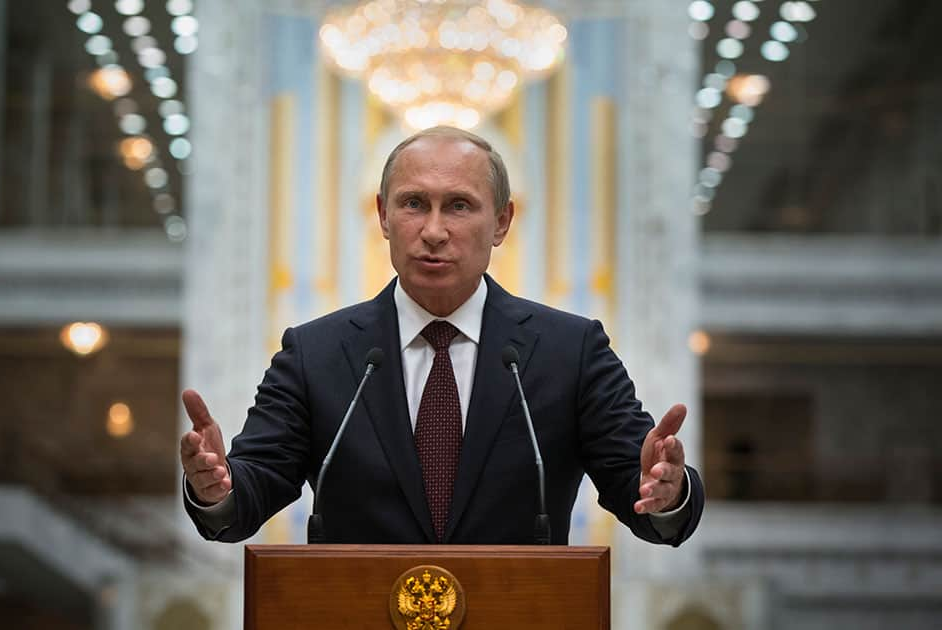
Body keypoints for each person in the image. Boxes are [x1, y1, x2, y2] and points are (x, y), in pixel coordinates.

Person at [181, 126, 704, 545]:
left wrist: (668, 491)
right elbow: (252, 487)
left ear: (501, 222)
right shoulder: (315, 353)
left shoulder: (571, 352)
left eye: (459, 205)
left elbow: (638, 486)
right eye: (413, 204)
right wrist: (217, 489)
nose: (433, 230)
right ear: (383, 216)